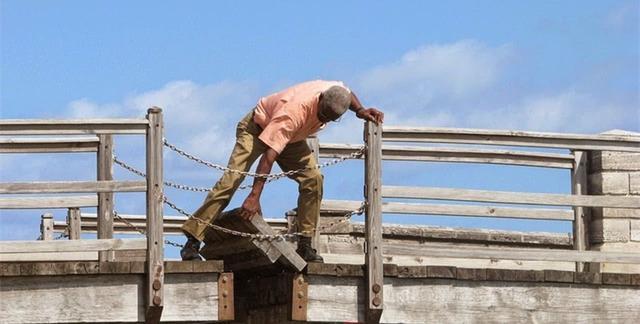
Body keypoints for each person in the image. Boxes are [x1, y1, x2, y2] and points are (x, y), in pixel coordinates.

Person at [180, 80, 384, 262]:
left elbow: (347, 92)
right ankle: (192, 241)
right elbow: (269, 156)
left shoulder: (334, 90)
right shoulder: (294, 113)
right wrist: (254, 196)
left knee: (313, 180)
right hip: (256, 128)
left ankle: (305, 244)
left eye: (328, 119)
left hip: (292, 139)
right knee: (231, 180)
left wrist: (360, 110)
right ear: (319, 99)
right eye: (321, 114)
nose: (322, 120)